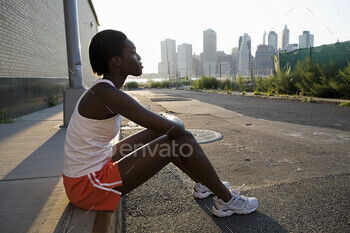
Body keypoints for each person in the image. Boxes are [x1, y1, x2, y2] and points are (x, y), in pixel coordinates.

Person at [62, 29, 258, 217]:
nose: (139, 57)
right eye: (133, 52)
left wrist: (167, 124)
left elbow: (162, 127)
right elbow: (176, 128)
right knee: (180, 141)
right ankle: (227, 200)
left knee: (165, 136)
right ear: (116, 60)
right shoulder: (108, 94)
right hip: (88, 186)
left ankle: (203, 183)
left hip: (91, 170)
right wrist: (170, 122)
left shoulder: (104, 90)